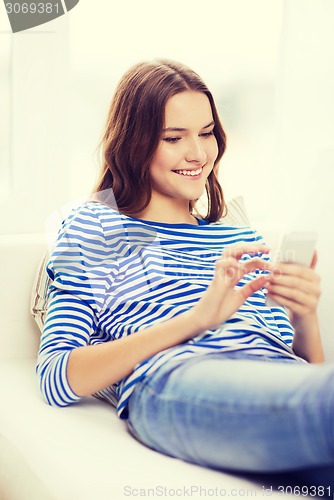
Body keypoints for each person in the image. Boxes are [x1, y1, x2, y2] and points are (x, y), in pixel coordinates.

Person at [37, 60, 334, 488]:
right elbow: (57, 377)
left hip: (280, 383)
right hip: (178, 378)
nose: (198, 154)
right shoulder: (95, 227)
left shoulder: (241, 238)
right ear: (134, 143)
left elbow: (301, 376)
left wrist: (303, 315)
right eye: (173, 138)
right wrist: (196, 319)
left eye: (207, 132)